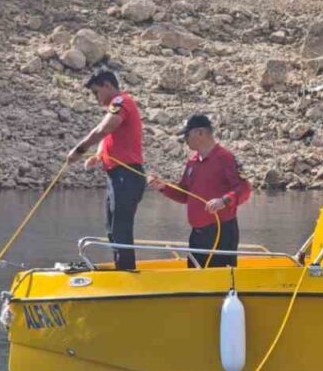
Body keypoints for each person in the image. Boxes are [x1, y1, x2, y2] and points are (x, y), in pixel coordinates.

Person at [68, 62, 145, 272]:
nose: (96, 98)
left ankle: (126, 272)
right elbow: (111, 135)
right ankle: (122, 267)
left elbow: (104, 128)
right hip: (116, 175)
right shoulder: (116, 106)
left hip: (127, 175)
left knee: (120, 227)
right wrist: (99, 155)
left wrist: (79, 149)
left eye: (96, 92)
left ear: (108, 85)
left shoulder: (121, 101)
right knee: (112, 227)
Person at [149, 114, 252, 268]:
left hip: (221, 232)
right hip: (198, 234)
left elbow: (244, 188)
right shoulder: (192, 162)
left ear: (200, 133)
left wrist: (224, 201)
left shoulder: (226, 158)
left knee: (220, 279)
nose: (185, 139)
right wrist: (164, 187)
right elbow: (185, 194)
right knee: (195, 276)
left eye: (187, 134)